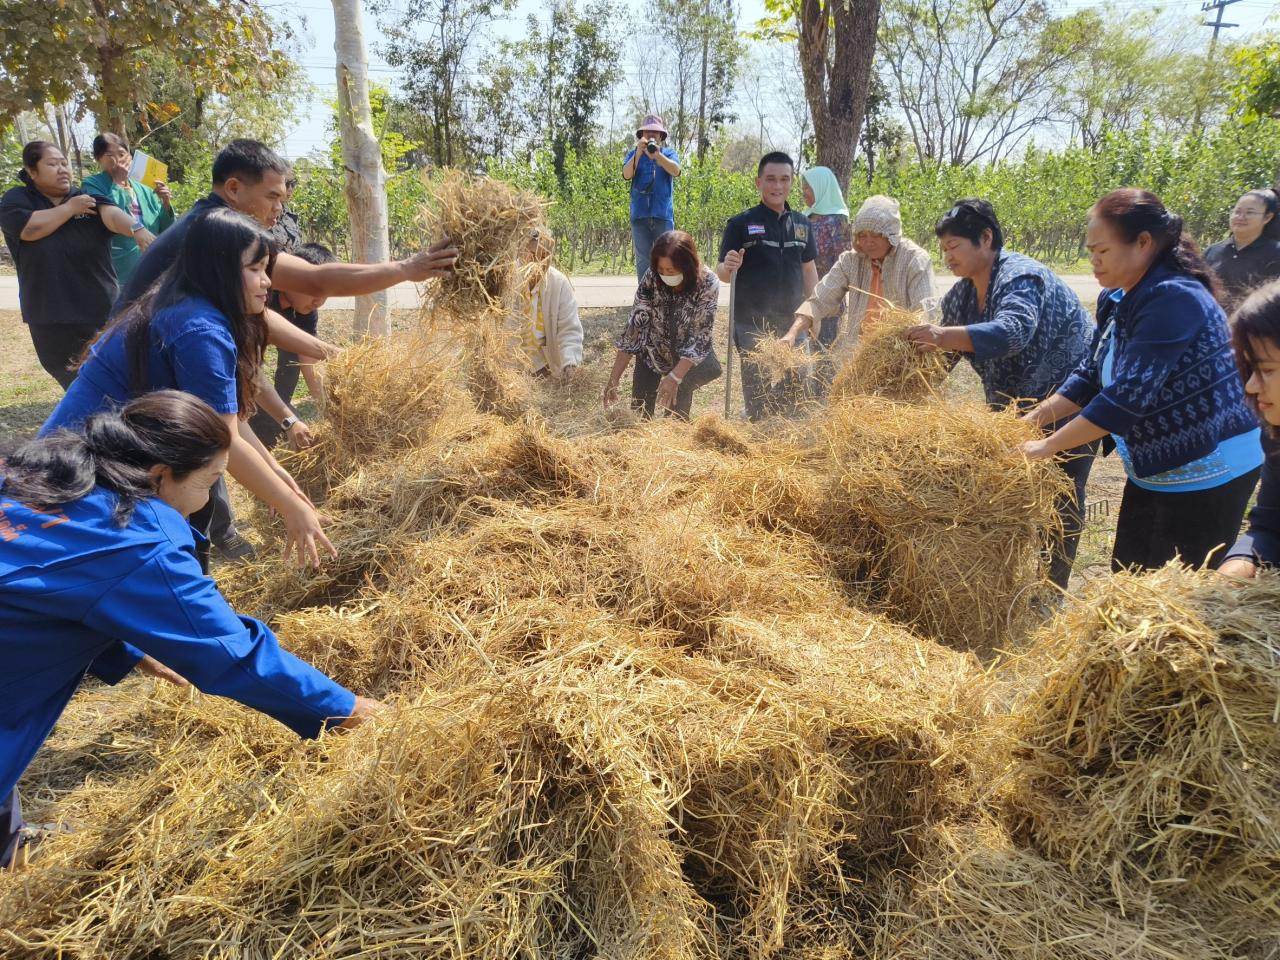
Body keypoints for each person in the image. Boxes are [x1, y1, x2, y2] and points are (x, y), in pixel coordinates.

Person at [0, 391, 383, 869]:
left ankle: (7, 843)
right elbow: (233, 655)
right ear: (160, 475)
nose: (206, 501)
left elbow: (41, 583)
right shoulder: (138, 540)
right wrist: (349, 710)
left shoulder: (37, 471)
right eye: (210, 483)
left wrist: (126, 650)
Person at [116, 139, 458, 562]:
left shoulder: (221, 252)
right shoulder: (212, 253)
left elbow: (258, 332)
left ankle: (189, 557)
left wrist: (282, 475)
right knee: (180, 493)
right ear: (235, 189)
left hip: (153, 388)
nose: (279, 207)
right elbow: (314, 281)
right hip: (135, 403)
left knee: (195, 484)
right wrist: (407, 270)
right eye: (272, 195)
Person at [41, 208, 333, 574]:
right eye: (255, 269)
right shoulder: (201, 331)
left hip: (100, 461)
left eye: (267, 270)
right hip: (79, 475)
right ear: (219, 270)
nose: (267, 282)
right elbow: (223, 440)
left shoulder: (194, 307)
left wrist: (275, 472)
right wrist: (292, 507)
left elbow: (221, 416)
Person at [1022, 188, 1263, 573]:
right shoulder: (1116, 298)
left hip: (1210, 466)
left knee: (1176, 595)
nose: (1093, 262)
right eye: (1090, 253)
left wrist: (1045, 447)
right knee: (1130, 576)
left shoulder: (1174, 297)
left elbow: (1125, 396)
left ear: (1144, 243)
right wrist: (1029, 422)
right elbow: (1090, 375)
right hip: (1156, 467)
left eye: (1102, 252)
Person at [905, 199, 1093, 590]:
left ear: (985, 238)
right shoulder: (959, 297)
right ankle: (1010, 584)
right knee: (1007, 489)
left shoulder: (1021, 277)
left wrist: (939, 336)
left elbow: (1012, 332)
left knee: (1059, 495)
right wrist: (903, 397)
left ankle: (1051, 588)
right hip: (1010, 411)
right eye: (944, 250)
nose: (948, 257)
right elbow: (944, 360)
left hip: (1068, 400)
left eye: (955, 246)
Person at [0, 142, 146, 389]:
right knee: (76, 383)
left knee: (119, 377)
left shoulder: (84, 198)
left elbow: (109, 214)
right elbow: (30, 229)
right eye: (52, 163)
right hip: (51, 317)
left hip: (101, 312)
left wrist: (136, 229)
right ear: (31, 171)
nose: (62, 169)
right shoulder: (17, 200)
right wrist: (69, 209)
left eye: (64, 163)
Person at [717, 152, 819, 421]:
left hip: (793, 323)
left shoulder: (802, 224)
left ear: (791, 182)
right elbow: (723, 275)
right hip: (752, 325)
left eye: (784, 179)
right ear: (758, 183)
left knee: (799, 387)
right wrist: (728, 265)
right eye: (771, 179)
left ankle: (785, 438)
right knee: (757, 394)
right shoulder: (739, 224)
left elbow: (809, 269)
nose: (777, 186)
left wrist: (814, 312)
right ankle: (757, 430)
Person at [786, 193, 934, 349]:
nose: (868, 242)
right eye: (862, 235)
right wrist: (792, 333)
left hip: (902, 354)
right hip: (859, 355)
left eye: (875, 235)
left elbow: (925, 313)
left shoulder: (914, 260)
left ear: (891, 234)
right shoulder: (851, 261)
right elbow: (820, 299)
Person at [604, 230, 721, 420]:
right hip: (652, 351)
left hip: (684, 359)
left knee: (675, 419)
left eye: (671, 271)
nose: (665, 276)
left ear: (687, 266)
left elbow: (700, 336)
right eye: (661, 270)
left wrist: (675, 377)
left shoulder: (708, 282)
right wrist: (614, 378)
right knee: (639, 414)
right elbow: (634, 326)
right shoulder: (652, 277)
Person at [249, 242, 338, 449]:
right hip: (246, 359)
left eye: (326, 294)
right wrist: (287, 418)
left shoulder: (305, 312)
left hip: (259, 363)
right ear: (293, 278)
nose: (319, 301)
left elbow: (307, 357)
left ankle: (272, 420)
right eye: (315, 290)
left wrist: (328, 408)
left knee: (289, 368)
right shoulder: (260, 297)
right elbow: (249, 367)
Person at [1220, 280, 1280, 577]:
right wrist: (1229, 578)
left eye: (1267, 370)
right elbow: (1269, 528)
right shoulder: (1275, 437)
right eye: (1250, 369)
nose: (1251, 386)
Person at [81, 132, 176, 284]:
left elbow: (165, 228)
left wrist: (165, 202)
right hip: (120, 273)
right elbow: (112, 215)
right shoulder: (93, 184)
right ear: (99, 159)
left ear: (130, 156)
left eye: (121, 153)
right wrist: (118, 181)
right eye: (109, 155)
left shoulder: (144, 186)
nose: (117, 160)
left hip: (152, 268)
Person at [794, 167, 851, 395]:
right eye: (803, 187)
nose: (804, 192)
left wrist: (836, 299)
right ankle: (798, 399)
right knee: (798, 352)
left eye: (809, 187)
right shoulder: (802, 217)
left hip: (827, 300)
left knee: (823, 355)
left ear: (822, 188)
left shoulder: (838, 222)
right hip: (799, 298)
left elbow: (845, 264)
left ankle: (823, 401)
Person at [507, 228, 583, 380]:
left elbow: (569, 330)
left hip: (544, 369)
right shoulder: (507, 279)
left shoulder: (559, 283)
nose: (539, 262)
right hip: (510, 369)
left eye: (544, 256)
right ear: (522, 253)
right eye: (533, 255)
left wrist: (570, 364)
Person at [623, 114, 681, 283]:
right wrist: (638, 154)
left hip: (662, 216)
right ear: (642, 135)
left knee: (668, 256)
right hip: (639, 216)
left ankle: (667, 295)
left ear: (661, 136)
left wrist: (657, 156)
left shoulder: (668, 153)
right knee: (643, 260)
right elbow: (626, 175)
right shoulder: (634, 154)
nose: (651, 135)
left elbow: (676, 171)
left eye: (655, 132)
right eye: (648, 132)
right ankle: (645, 298)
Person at [1204, 189, 1280, 308]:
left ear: (1267, 217)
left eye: (1249, 212)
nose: (1240, 217)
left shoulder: (1275, 253)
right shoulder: (1212, 251)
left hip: (1253, 324)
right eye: (1237, 211)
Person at [268, 169, 304, 254]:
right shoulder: (262, 216)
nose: (290, 189)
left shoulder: (290, 216)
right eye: (286, 184)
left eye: (293, 184)